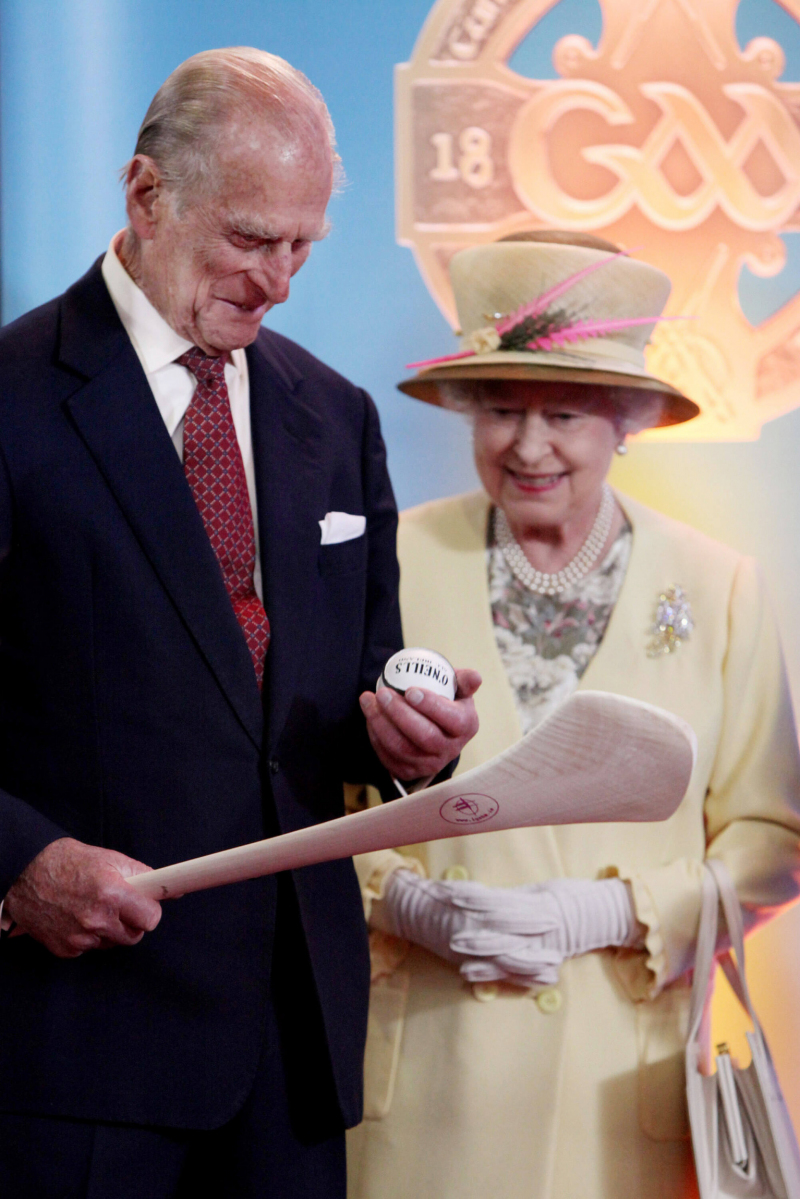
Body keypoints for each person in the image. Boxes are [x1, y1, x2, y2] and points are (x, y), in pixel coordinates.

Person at [0, 48, 480, 1199]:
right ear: (145, 194)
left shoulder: (336, 413)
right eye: (251, 239)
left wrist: (411, 738)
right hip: (79, 1046)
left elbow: (346, 694)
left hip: (293, 1051)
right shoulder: (13, 400)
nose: (280, 282)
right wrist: (19, 864)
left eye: (303, 244)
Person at [346, 232, 800, 1199]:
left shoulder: (718, 587)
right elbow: (307, 800)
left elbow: (771, 838)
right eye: (501, 408)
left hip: (613, 1095)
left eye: (565, 412)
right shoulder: (389, 561)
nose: (529, 444)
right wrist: (402, 902)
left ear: (628, 422)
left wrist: (617, 910)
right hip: (426, 1077)